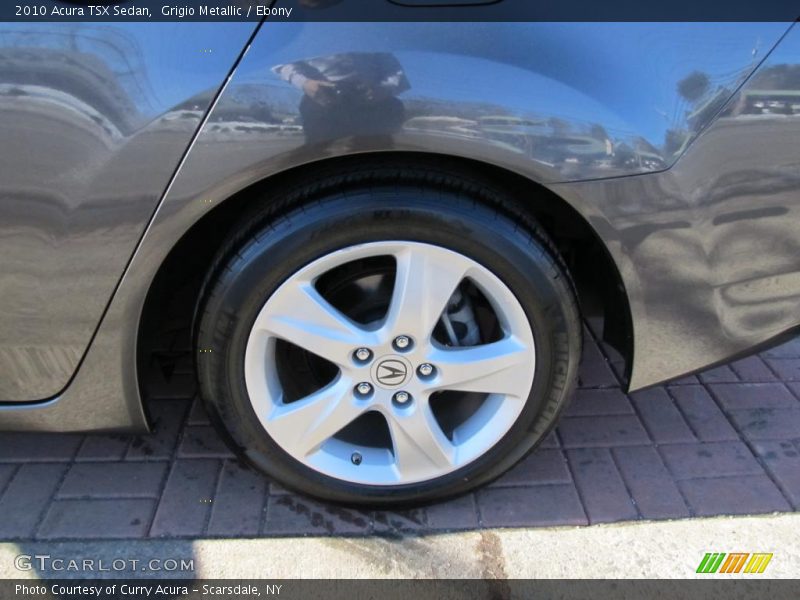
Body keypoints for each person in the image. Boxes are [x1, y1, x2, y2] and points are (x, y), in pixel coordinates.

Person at [273, 52, 409, 143]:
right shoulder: (306, 27)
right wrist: (305, 83)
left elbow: (395, 71)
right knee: (316, 158)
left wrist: (384, 89)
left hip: (373, 103)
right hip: (323, 99)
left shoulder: (372, 30)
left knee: (379, 154)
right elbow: (284, 64)